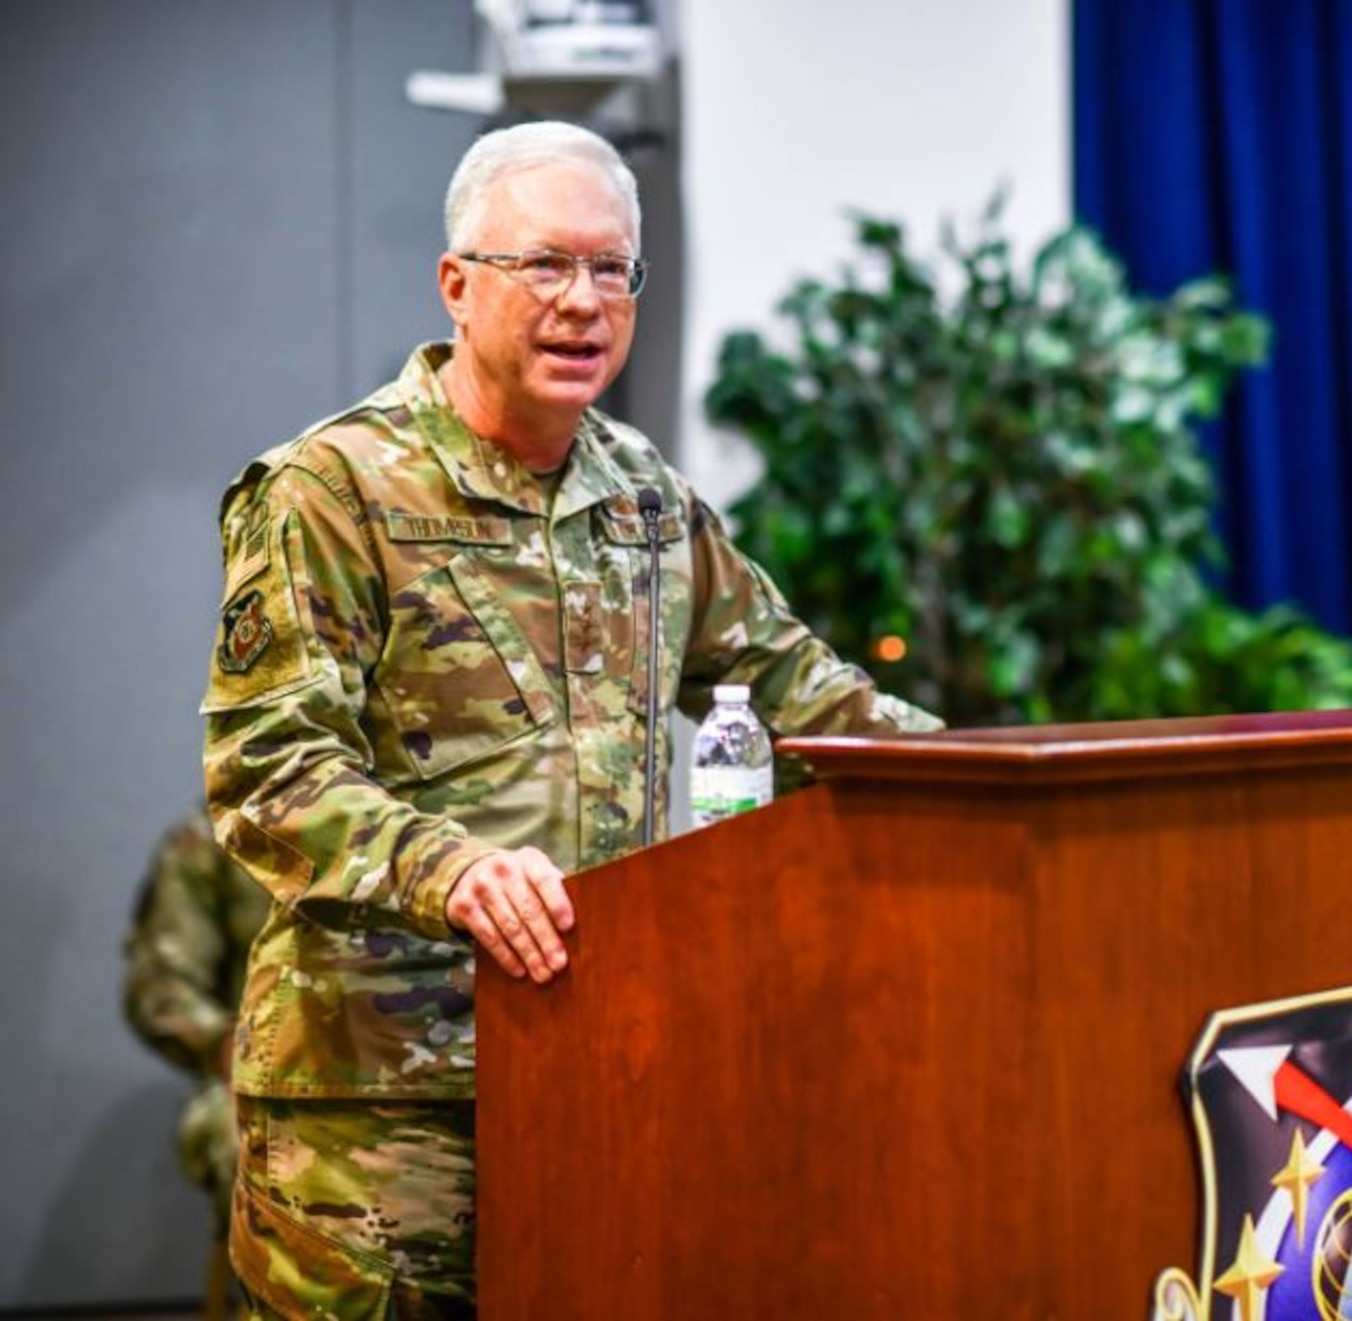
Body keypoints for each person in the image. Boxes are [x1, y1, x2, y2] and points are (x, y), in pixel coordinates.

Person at [200, 120, 940, 1318]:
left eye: (612, 270)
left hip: (605, 1065)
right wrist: (454, 871)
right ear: (456, 284)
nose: (583, 302)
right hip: (387, 1112)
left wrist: (991, 780)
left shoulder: (644, 497)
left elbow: (806, 691)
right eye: (544, 264)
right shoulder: (331, 491)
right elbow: (266, 768)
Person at [122, 806, 272, 1314]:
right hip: (261, 1078)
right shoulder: (216, 836)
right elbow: (161, 987)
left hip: (440, 1069)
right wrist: (231, 1050)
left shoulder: (453, 817)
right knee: (263, 1151)